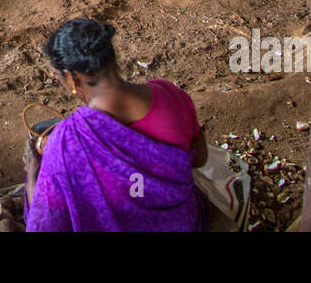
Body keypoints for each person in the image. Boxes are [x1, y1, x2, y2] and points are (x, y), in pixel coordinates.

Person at [23, 19, 208, 232]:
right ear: (112, 58)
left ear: (71, 79)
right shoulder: (170, 94)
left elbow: (45, 225)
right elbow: (200, 158)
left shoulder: (66, 143)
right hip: (182, 224)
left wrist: (32, 175)